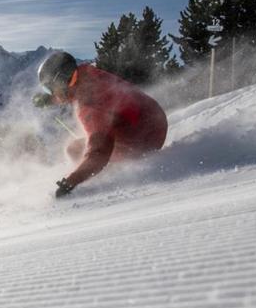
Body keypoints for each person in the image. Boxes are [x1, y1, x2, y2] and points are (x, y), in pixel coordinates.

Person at [34, 50, 168, 198]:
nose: (52, 93)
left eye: (50, 88)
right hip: (150, 121)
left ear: (62, 80)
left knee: (74, 149)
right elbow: (69, 92)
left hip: (144, 140)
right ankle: (95, 169)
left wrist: (71, 181)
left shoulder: (90, 104)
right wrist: (49, 100)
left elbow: (99, 152)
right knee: (79, 146)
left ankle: (104, 175)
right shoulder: (86, 75)